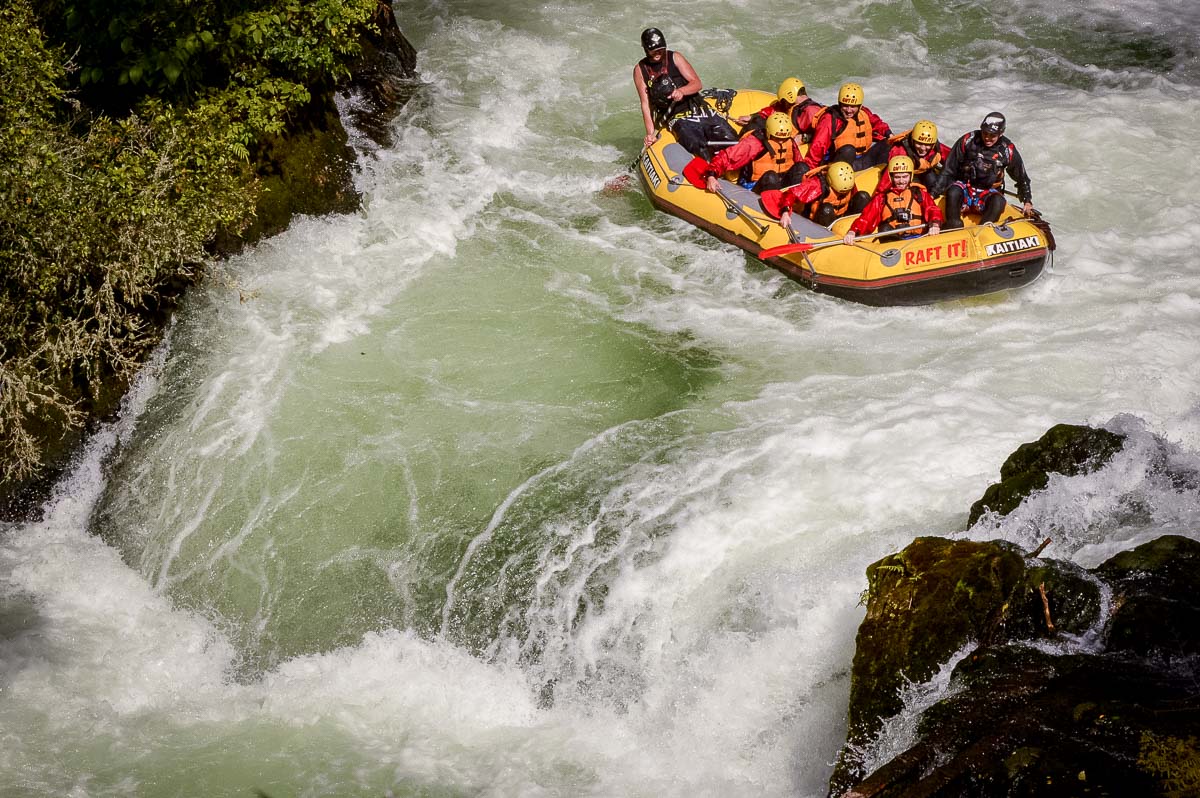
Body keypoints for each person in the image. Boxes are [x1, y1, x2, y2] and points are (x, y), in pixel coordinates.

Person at [634, 27, 738, 160]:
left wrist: (682, 91)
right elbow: (646, 104)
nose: (658, 53)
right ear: (646, 49)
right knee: (697, 144)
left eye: (660, 49)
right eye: (653, 50)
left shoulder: (675, 57)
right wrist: (650, 134)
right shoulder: (640, 70)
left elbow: (697, 83)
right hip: (675, 117)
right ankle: (710, 167)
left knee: (729, 137)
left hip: (698, 109)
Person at [931, 112, 1034, 230]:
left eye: (992, 135)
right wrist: (933, 193)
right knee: (953, 192)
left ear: (1001, 133)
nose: (987, 138)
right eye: (985, 133)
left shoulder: (1007, 150)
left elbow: (1021, 177)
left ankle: (983, 231)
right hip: (965, 188)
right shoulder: (968, 140)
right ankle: (952, 225)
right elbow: (948, 169)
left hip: (988, 193)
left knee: (998, 201)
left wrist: (1027, 200)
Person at [699, 111, 806, 194]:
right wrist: (711, 175)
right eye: (777, 138)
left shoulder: (789, 141)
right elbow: (726, 157)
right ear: (769, 133)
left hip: (781, 185)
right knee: (771, 177)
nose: (781, 141)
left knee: (802, 167)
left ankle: (796, 205)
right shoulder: (754, 143)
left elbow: (798, 163)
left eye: (784, 138)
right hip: (755, 186)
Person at [843, 156, 942, 245]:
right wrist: (853, 231)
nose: (901, 181)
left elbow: (932, 209)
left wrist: (935, 224)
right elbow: (867, 218)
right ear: (891, 177)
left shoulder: (919, 194)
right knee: (884, 228)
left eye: (905, 177)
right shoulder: (882, 198)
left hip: (920, 239)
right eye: (897, 177)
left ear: (911, 176)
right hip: (894, 243)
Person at [803, 82, 892, 172]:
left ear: (860, 106)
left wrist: (889, 133)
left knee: (888, 143)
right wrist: (810, 170)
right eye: (845, 106)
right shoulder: (830, 119)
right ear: (839, 103)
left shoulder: (864, 112)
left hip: (862, 161)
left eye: (853, 107)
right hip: (838, 165)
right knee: (848, 150)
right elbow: (818, 146)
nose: (849, 110)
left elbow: (877, 123)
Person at [760, 162, 870, 228]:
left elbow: (852, 197)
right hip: (820, 220)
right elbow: (790, 194)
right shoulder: (816, 185)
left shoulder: (847, 183)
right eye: (839, 191)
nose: (842, 193)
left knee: (863, 196)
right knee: (827, 210)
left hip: (841, 218)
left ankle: (858, 228)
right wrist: (785, 212)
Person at [735, 77, 824, 142]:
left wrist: (804, 137)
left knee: (757, 126)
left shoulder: (811, 111)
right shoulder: (794, 106)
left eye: (783, 101)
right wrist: (752, 116)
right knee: (758, 121)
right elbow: (775, 109)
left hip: (785, 141)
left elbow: (823, 133)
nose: (783, 104)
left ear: (790, 96)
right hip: (781, 136)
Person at [876, 120, 950, 192]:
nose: (923, 148)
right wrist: (881, 193)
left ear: (933, 144)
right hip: (904, 175)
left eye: (927, 145)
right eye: (919, 143)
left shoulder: (936, 148)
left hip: (925, 173)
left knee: (932, 180)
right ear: (912, 140)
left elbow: (952, 160)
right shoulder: (900, 151)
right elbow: (888, 177)